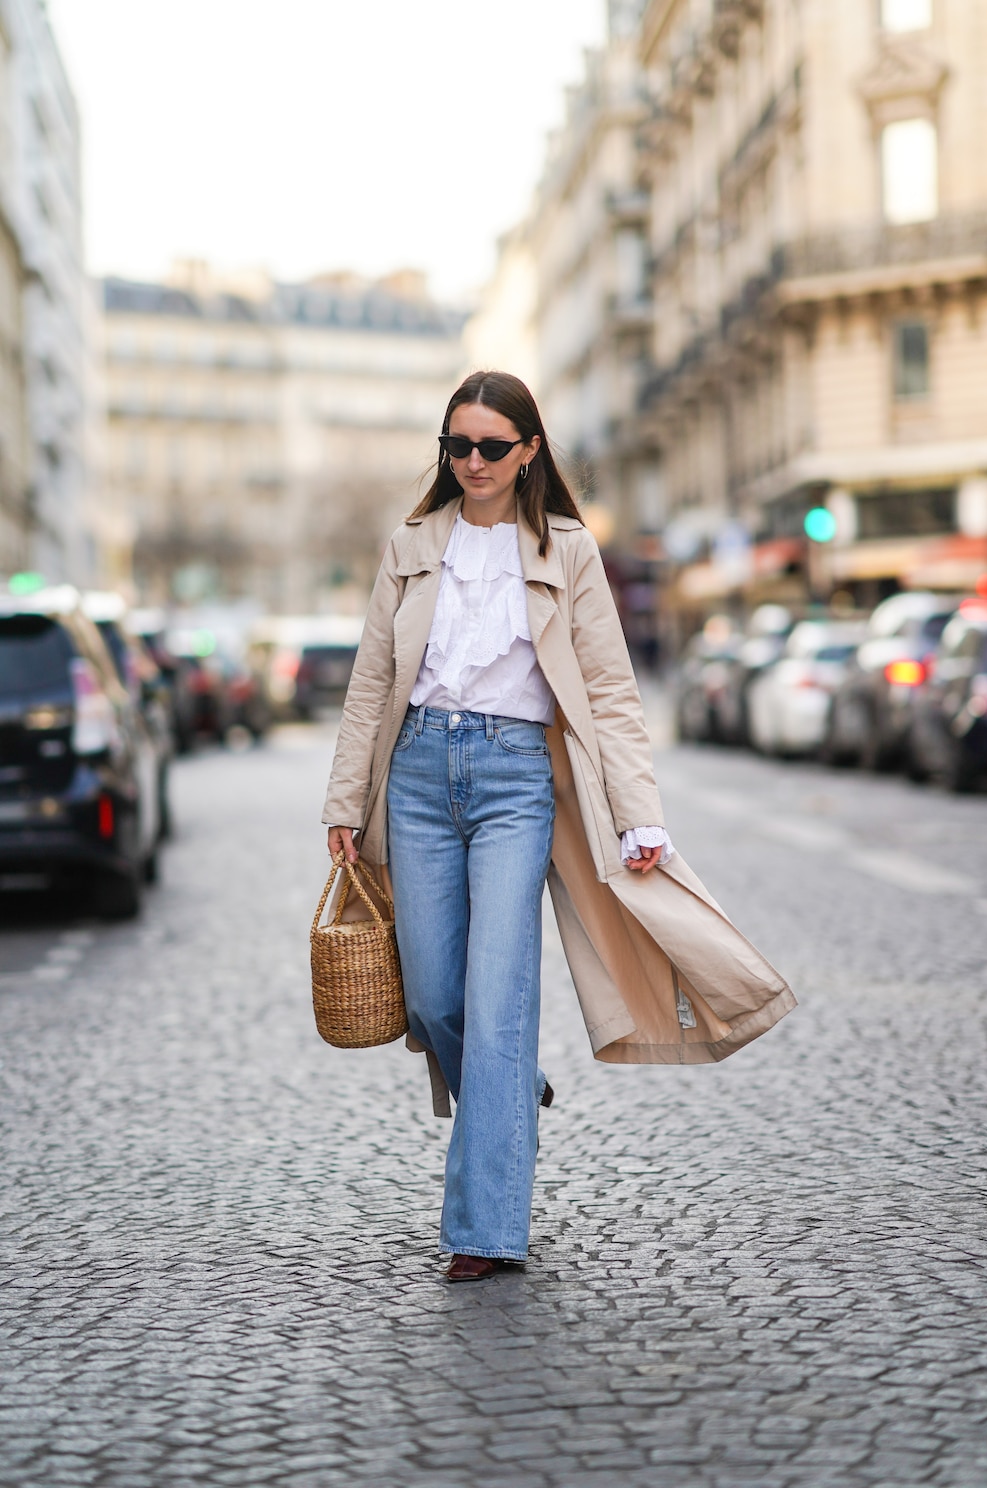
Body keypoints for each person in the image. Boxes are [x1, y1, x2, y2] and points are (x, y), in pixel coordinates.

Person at [322, 371, 795, 1282]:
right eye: (456, 446)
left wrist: (638, 815)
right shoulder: (412, 544)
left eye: (491, 447)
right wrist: (346, 805)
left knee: (499, 998)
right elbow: (370, 686)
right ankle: (507, 1089)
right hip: (417, 773)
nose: (472, 463)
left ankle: (485, 1231)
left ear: (529, 449)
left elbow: (612, 693)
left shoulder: (569, 551)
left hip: (515, 781)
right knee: (430, 998)